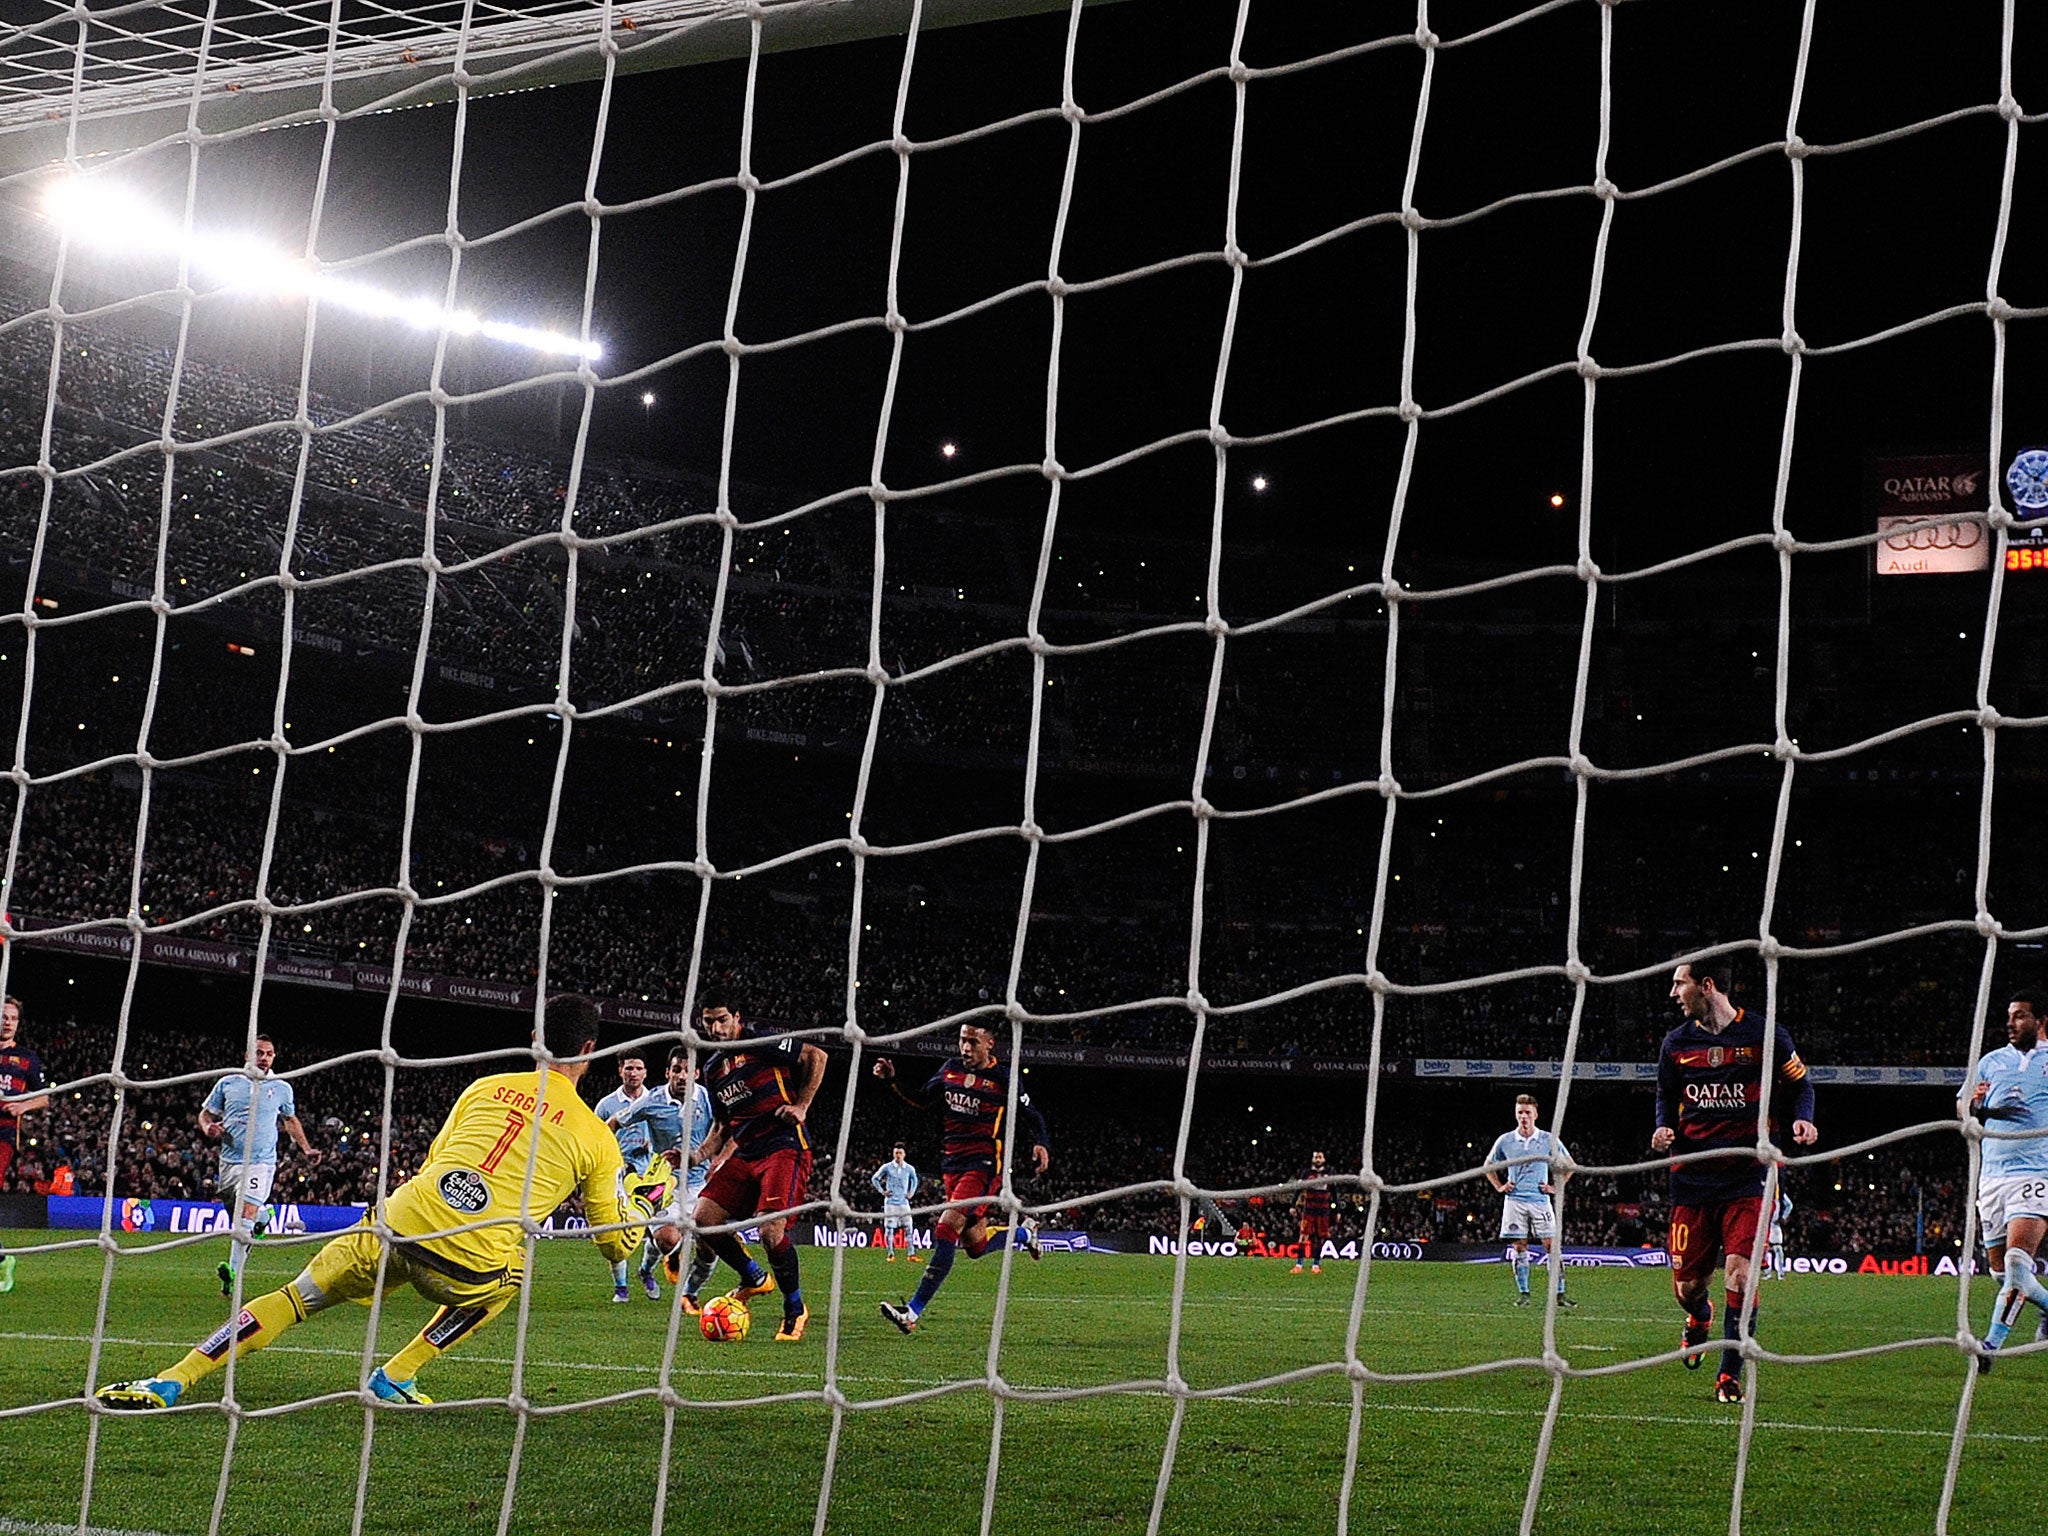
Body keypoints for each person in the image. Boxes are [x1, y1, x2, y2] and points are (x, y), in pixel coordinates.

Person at [94, 994, 645, 1410]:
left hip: (398, 1222)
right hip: (467, 1266)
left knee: (295, 1296)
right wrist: (643, 1209)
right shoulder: (595, 1135)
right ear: (593, 1050)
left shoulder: (484, 1088)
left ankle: (171, 1379)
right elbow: (612, 1244)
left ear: (533, 1037)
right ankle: (398, 1374)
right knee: (512, 1277)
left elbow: (436, 1158)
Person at [1653, 963, 1817, 1405]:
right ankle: (1700, 1316)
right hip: (1691, 1178)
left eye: (1678, 983)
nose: (1673, 993)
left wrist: (1803, 1117)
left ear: (1706, 986)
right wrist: (1663, 1127)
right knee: (1687, 1289)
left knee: (1742, 1274)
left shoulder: (1765, 1036)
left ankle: (1729, 1373)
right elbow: (1666, 1097)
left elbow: (1802, 1086)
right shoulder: (1675, 1044)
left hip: (1750, 1175)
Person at [874, 1022, 1048, 1334]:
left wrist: (1041, 1142)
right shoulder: (950, 1069)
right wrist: (893, 1081)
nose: (965, 1048)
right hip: (951, 1165)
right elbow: (923, 1101)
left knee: (946, 1227)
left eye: (972, 1042)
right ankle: (1025, 1233)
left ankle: (911, 1312)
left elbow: (1032, 1113)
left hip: (983, 1166)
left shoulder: (1004, 1078)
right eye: (962, 1041)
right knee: (975, 1245)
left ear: (989, 1044)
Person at [688, 990, 829, 1343]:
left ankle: (795, 1308)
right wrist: (695, 1156)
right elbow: (722, 1129)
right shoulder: (712, 1069)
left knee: (770, 1232)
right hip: (747, 1153)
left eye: (722, 1020)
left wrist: (802, 1105)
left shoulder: (763, 1043)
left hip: (784, 1148)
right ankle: (754, 1277)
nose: (716, 1028)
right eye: (708, 1022)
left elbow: (816, 1055)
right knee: (703, 1221)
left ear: (737, 1017)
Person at [200, 1034, 322, 1297]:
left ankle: (232, 1274)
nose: (264, 1058)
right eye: (259, 1053)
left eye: (268, 1053)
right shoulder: (228, 1082)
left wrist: (306, 1148)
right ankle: (265, 1217)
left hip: (261, 1163)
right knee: (239, 1215)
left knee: (244, 1216)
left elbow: (290, 1120)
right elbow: (206, 1113)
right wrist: (208, 1127)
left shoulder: (281, 1087)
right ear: (247, 1055)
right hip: (230, 1161)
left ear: (274, 1057)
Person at [1965, 989, 2048, 1372]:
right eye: (2009, 1016)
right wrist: (1975, 1105)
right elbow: (1963, 1104)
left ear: (2040, 1021)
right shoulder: (1991, 1061)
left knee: (2016, 1264)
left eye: (2020, 1016)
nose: (2011, 1023)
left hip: (2036, 1172)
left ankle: (1990, 1346)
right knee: (2002, 1275)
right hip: (1992, 1176)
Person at [608, 1045, 719, 1309]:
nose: (682, 1076)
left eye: (688, 1070)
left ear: (697, 1074)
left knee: (710, 1247)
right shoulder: (651, 1101)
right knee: (668, 1239)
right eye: (677, 1070)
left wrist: (720, 1159)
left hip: (699, 1185)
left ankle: (690, 1293)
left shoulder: (709, 1099)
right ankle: (647, 1269)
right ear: (667, 1072)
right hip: (663, 1183)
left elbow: (728, 1129)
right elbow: (613, 1122)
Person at [1484, 1094, 1577, 1308]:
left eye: (1527, 1112)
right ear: (1516, 1115)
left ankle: (1560, 1294)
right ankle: (1524, 1294)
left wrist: (1556, 1187)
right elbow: (1488, 1166)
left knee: (1551, 1246)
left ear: (1535, 1114)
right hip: (1514, 1201)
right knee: (1519, 1246)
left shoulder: (1548, 1140)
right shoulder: (1505, 1140)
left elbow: (1570, 1164)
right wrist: (1500, 1186)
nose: (1523, 1116)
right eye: (1520, 1112)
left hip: (1540, 1200)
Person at [594, 1054, 661, 1300]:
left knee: (662, 1233)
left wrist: (652, 1145)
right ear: (620, 1071)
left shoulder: (657, 1100)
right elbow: (596, 1139)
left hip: (652, 1174)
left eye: (638, 1068)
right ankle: (621, 1288)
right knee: (617, 1230)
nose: (633, 1072)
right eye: (629, 1068)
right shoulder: (605, 1105)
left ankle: (646, 1270)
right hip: (618, 1175)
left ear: (646, 1072)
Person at [0, 996, 49, 1295]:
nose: (7, 1022)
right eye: (3, 1016)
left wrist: (22, 1107)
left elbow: (44, 1097)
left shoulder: (27, 1058)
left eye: (12, 1018)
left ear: (18, 1023)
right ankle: (3, 1257)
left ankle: (3, 1259)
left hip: (2, 1135)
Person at [871, 1143, 922, 1263]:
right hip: (891, 1204)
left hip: (904, 1203)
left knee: (909, 1228)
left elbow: (914, 1180)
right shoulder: (887, 1167)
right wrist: (882, 1191)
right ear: (893, 1154)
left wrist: (911, 1193)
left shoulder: (909, 1168)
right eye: (896, 1153)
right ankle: (890, 1254)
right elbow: (875, 1178)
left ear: (904, 1154)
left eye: (900, 1153)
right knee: (889, 1229)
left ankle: (911, 1254)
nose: (898, 1155)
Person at [1292, 1151, 1332, 1275]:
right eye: (1316, 1157)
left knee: (1320, 1238)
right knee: (1303, 1236)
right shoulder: (1307, 1173)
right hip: (1309, 1209)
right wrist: (1292, 1204)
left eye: (1320, 1157)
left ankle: (1316, 1265)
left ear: (1324, 1159)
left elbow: (1334, 1190)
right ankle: (1299, 1264)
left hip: (1323, 1210)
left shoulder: (1328, 1173)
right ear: (1313, 1159)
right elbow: (1298, 1189)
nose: (1318, 1159)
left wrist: (1337, 1210)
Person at [1764, 1188, 1793, 1280]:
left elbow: (1789, 1205)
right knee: (1765, 1248)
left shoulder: (1779, 1194)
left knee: (1777, 1248)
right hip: (1765, 1224)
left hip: (1774, 1224)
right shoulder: (1764, 1193)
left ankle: (1781, 1274)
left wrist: (1784, 1217)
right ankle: (1768, 1273)